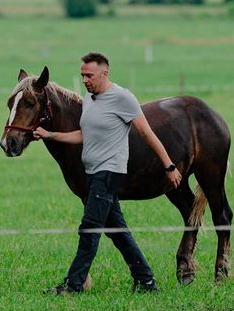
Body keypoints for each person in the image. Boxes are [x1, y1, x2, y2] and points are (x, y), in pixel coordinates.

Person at [33, 52, 182, 293]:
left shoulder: (123, 98)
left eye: (89, 75)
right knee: (117, 231)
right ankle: (146, 281)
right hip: (93, 172)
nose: (85, 80)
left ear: (105, 73)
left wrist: (169, 165)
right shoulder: (90, 99)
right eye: (82, 76)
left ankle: (74, 285)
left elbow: (147, 133)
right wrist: (50, 135)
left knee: (90, 228)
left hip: (110, 172)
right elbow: (84, 134)